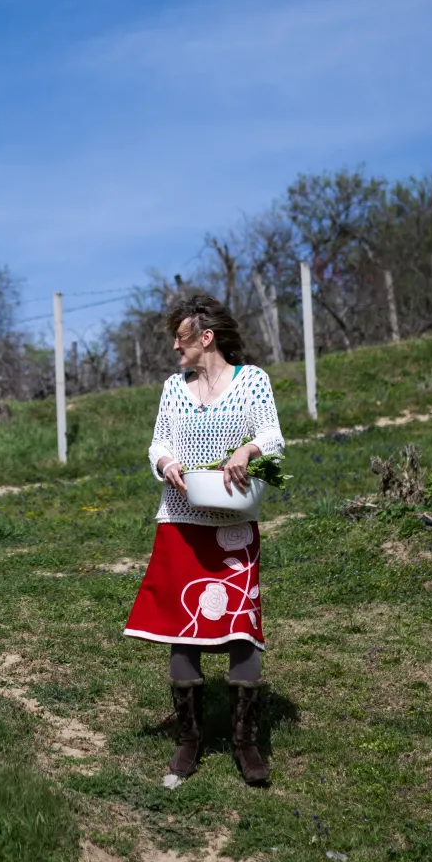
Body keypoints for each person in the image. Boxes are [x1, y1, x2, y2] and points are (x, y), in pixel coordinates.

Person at [122, 293, 284, 786]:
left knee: (240, 625)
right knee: (181, 627)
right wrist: (168, 463)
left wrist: (248, 449)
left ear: (206, 337)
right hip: (180, 521)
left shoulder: (252, 380)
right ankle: (189, 740)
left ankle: (244, 741)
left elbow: (274, 437)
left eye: (182, 337)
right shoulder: (175, 388)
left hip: (233, 524)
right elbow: (159, 443)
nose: (176, 346)